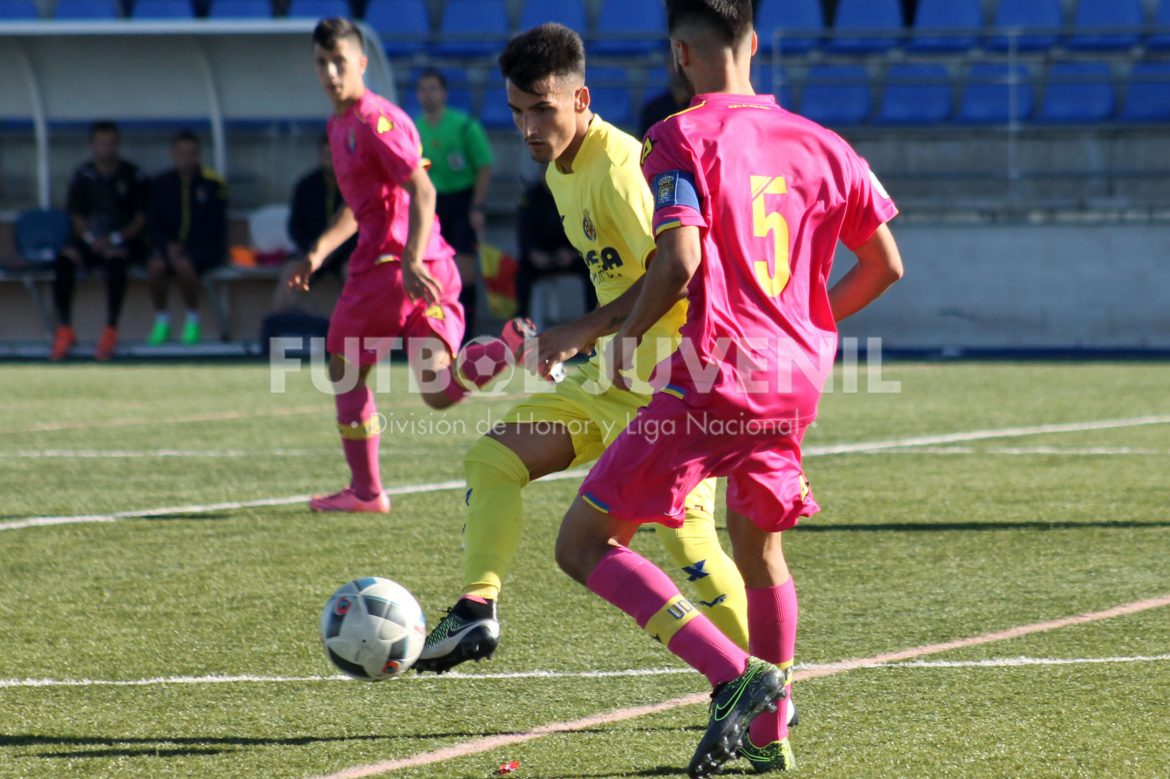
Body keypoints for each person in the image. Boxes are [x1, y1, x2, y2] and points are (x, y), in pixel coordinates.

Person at [552, 1, 903, 776]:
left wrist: (625, 338)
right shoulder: (823, 143)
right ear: (752, 42)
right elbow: (886, 265)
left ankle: (735, 677)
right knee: (760, 549)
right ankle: (772, 734)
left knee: (583, 543)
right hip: (794, 381)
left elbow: (677, 260)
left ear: (681, 52)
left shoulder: (678, 137)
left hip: (717, 375)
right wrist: (805, 326)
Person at [416, 23, 749, 676]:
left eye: (542, 109)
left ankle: (770, 677)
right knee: (492, 460)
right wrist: (596, 340)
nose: (529, 128)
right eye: (517, 113)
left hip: (680, 382)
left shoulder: (622, 168)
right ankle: (476, 606)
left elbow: (677, 268)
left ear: (580, 98)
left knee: (688, 538)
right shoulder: (561, 170)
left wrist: (582, 329)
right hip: (612, 379)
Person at [292, 18, 522, 514]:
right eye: (322, 63)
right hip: (424, 267)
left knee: (344, 369)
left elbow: (423, 189)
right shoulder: (340, 125)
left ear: (362, 64)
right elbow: (360, 204)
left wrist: (410, 257)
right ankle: (506, 349)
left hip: (391, 266)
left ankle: (367, 490)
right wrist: (319, 250)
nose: (331, 72)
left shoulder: (376, 120)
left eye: (339, 62)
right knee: (438, 390)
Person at [51, 121, 148, 361]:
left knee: (117, 262)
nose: (106, 148)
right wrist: (91, 238)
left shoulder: (132, 174)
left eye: (111, 143)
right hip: (90, 240)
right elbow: (76, 216)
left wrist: (114, 239)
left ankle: (110, 331)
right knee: (65, 260)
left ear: (117, 145)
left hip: (121, 241)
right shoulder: (83, 175)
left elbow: (140, 219)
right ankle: (64, 329)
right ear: (93, 145)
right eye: (101, 143)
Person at [415, 68, 493, 333]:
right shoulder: (413, 128)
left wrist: (477, 206)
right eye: (423, 89)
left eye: (433, 88)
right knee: (427, 270)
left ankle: (466, 334)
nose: (428, 94)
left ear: (444, 93)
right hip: (430, 205)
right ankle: (431, 332)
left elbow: (484, 166)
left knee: (465, 272)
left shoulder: (464, 125)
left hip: (461, 202)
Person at [145, 130, 228, 345]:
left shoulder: (213, 184)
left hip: (204, 249)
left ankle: (193, 319)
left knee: (184, 265)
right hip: (168, 247)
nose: (186, 159)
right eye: (182, 153)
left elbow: (215, 224)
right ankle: (162, 319)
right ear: (173, 155)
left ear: (198, 155)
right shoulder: (160, 183)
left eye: (191, 153)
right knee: (155, 266)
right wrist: (167, 245)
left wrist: (187, 247)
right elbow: (153, 221)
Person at [272, 134, 355, 314]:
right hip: (311, 252)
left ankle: (359, 334)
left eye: (333, 154)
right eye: (325, 154)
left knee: (355, 274)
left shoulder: (354, 183)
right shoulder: (306, 185)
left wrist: (333, 251)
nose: (329, 159)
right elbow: (294, 226)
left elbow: (360, 227)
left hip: (345, 254)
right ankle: (278, 331)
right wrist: (313, 250)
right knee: (290, 273)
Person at [514, 177, 595, 325]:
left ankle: (593, 322)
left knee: (594, 268)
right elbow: (524, 231)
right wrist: (533, 253)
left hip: (569, 255)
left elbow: (585, 230)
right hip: (540, 257)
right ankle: (519, 324)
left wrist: (573, 253)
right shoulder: (531, 197)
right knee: (522, 272)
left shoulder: (572, 194)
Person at [637, 57, 691, 138]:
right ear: (667, 66)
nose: (678, 68)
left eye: (683, 62)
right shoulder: (653, 109)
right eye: (674, 62)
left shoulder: (702, 107)